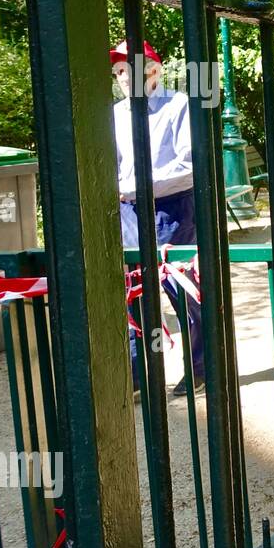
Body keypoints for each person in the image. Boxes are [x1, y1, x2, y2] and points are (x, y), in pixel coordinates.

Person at [112, 39, 203, 396]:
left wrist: (133, 185)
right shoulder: (116, 114)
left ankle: (199, 366)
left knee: (179, 289)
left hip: (171, 209)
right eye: (118, 71)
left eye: (128, 68)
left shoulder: (178, 104)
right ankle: (139, 374)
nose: (121, 76)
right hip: (128, 212)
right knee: (134, 293)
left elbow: (191, 164)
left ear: (153, 70)